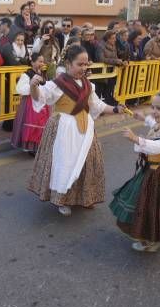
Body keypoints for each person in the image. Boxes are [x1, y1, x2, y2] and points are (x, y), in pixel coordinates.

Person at [27, 44, 125, 217]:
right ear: (68, 63)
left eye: (86, 64)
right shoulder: (57, 84)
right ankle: (62, 200)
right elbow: (40, 97)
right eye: (80, 64)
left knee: (88, 163)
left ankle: (84, 197)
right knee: (64, 163)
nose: (84, 68)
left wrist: (116, 109)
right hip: (64, 128)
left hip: (85, 128)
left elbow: (96, 105)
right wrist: (33, 86)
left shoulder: (88, 85)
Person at [110, 90, 160, 252]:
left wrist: (135, 138)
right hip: (154, 171)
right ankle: (150, 237)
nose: (154, 112)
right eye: (153, 107)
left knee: (154, 207)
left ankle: (152, 240)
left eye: (158, 108)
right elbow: (155, 125)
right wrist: (143, 118)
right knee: (149, 204)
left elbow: (157, 147)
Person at [10, 52, 49, 153]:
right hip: (29, 103)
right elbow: (19, 89)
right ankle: (30, 147)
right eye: (39, 61)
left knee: (41, 123)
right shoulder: (27, 74)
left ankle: (38, 145)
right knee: (32, 124)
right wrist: (33, 86)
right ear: (32, 62)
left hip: (42, 102)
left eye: (42, 61)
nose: (42, 63)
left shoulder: (43, 73)